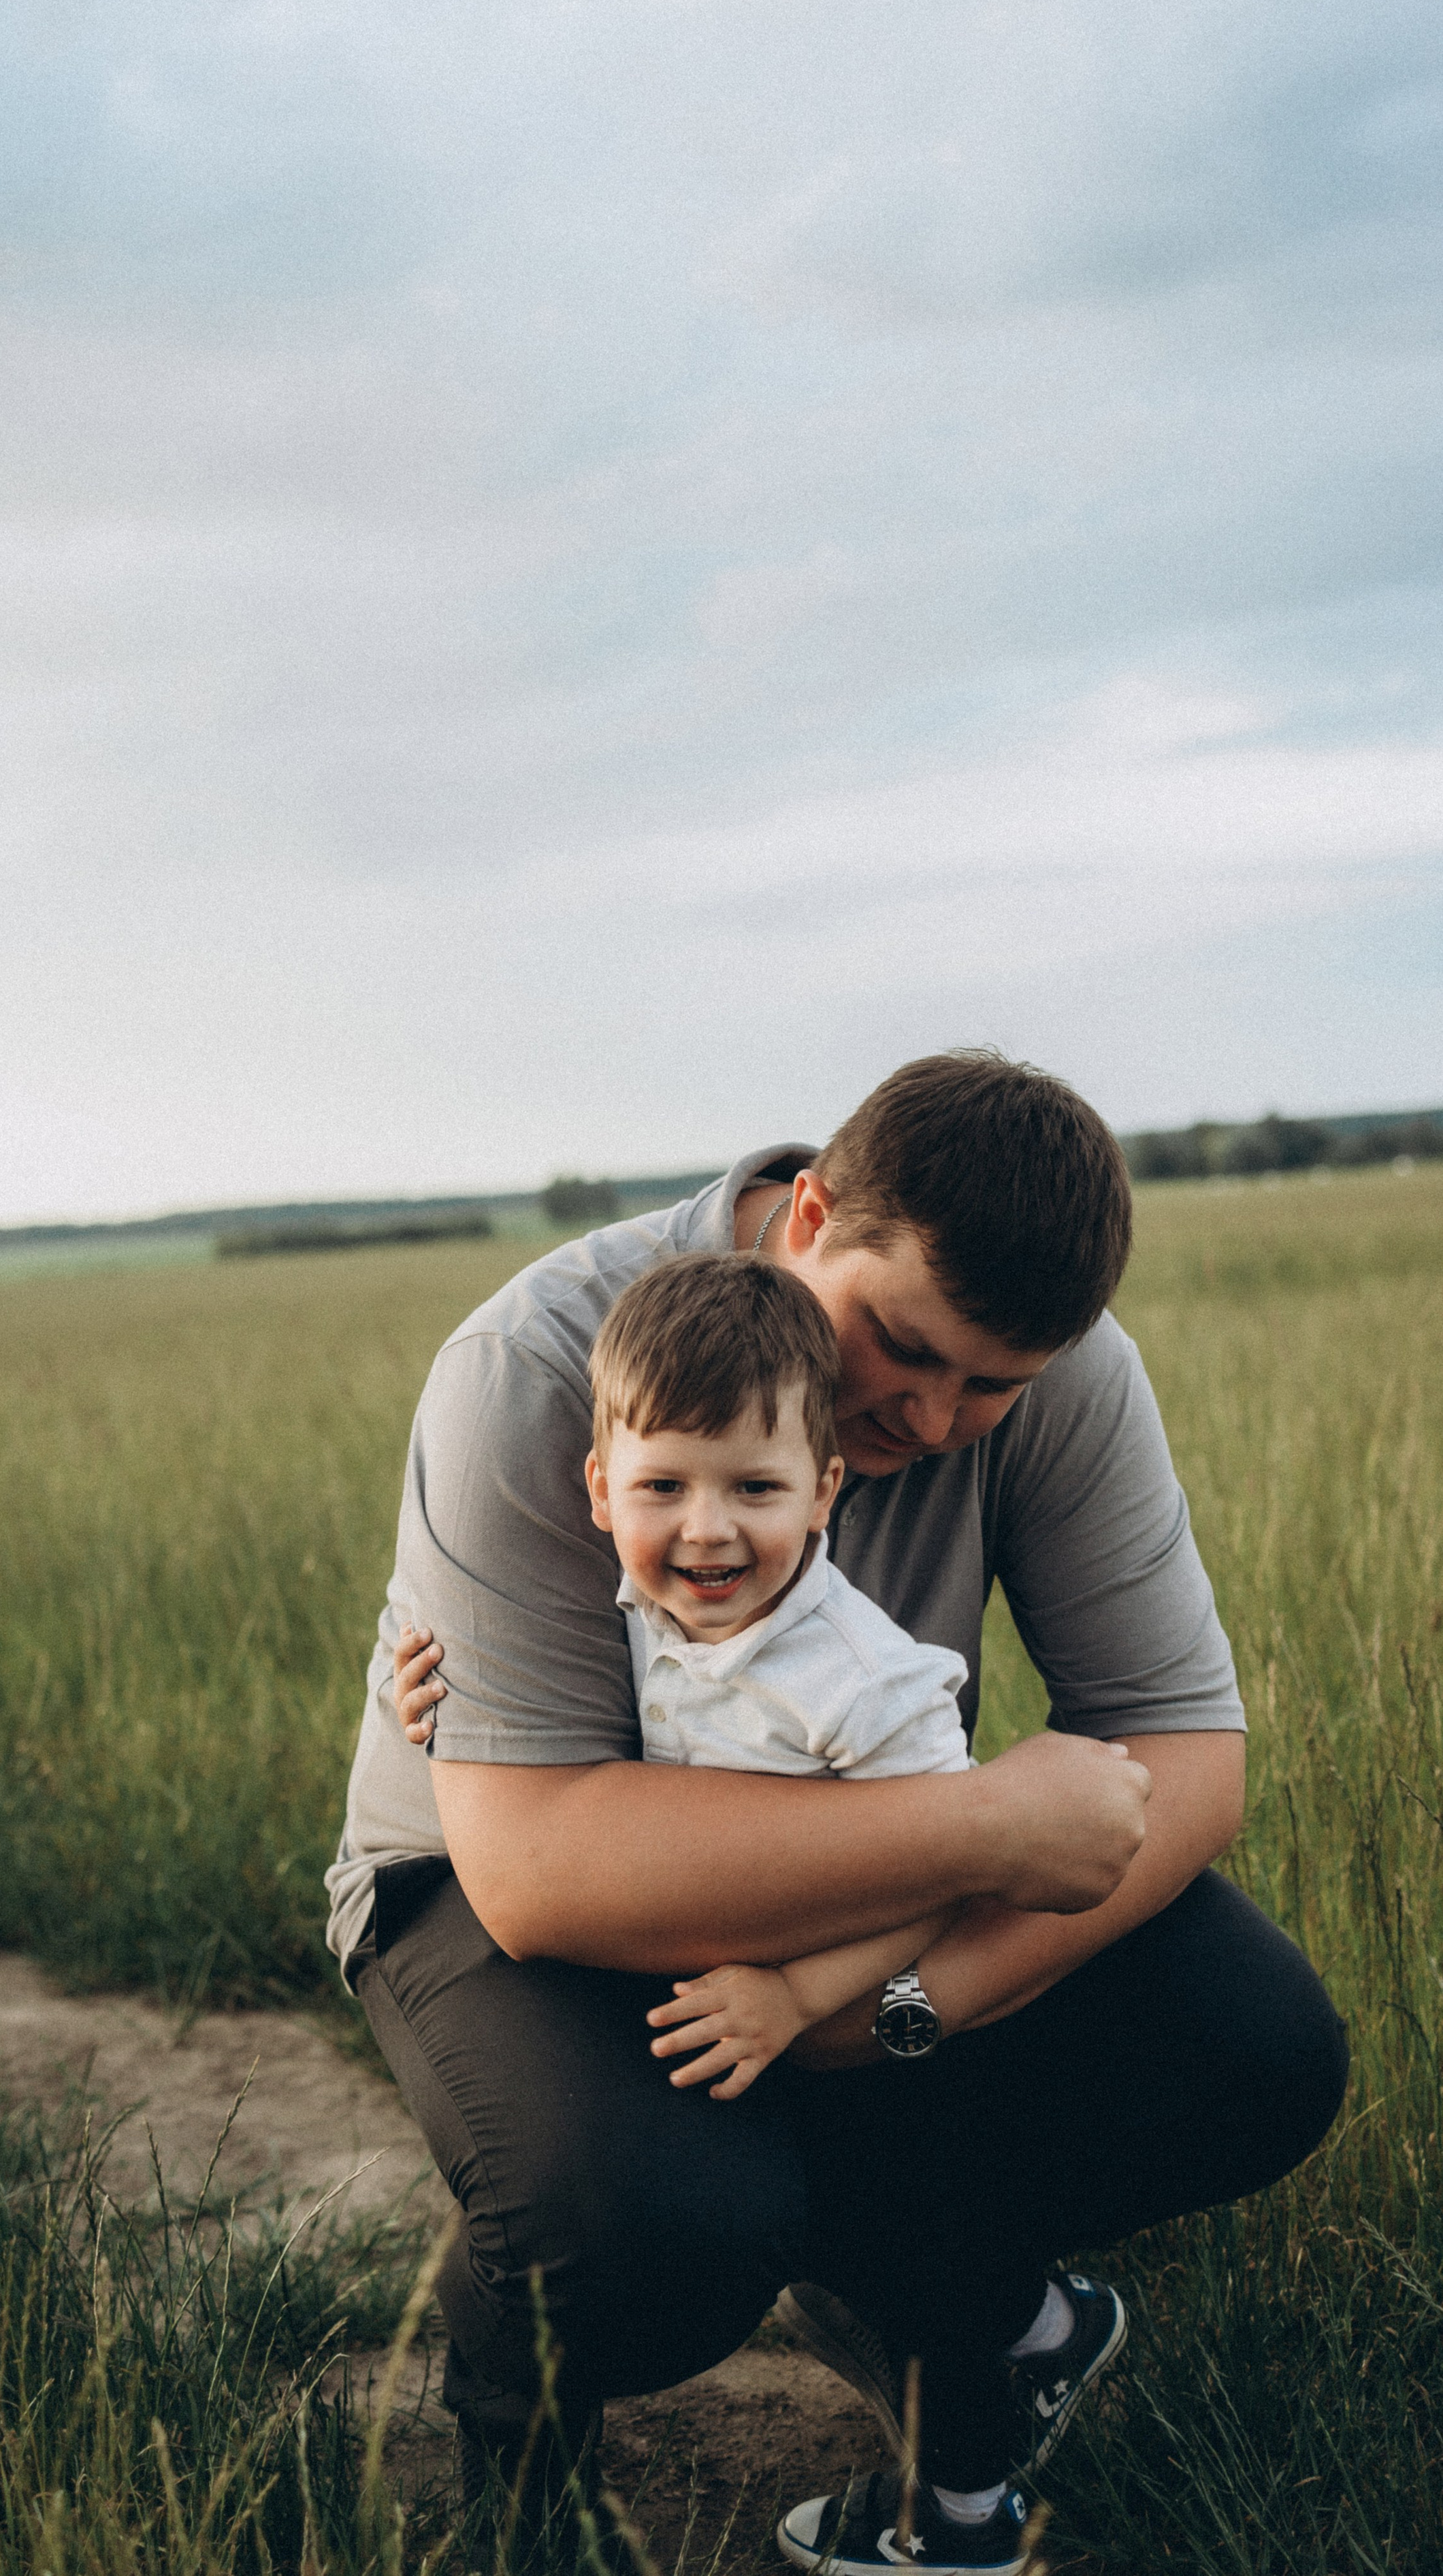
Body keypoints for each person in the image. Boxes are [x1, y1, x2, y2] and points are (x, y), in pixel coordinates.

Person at [326, 1052, 1348, 2576]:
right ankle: (518, 2439)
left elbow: (1185, 1753)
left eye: (988, 1387)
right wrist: (977, 1836)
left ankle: (943, 2298)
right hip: (491, 1889)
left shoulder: (1053, 1376)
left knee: (1254, 2050)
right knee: (662, 2220)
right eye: (896, 1346)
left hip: (854, 1883)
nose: (934, 1419)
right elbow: (540, 1872)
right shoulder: (535, 1364)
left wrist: (892, 2009)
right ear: (807, 1214)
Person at [401, 1249, 977, 2104]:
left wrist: (797, 1998)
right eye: (663, 1485)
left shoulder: (868, 1683)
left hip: (820, 2002)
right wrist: (442, 1700)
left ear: (821, 1493)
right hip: (664, 1965)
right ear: (602, 1490)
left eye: (754, 1488)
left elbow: (942, 1880)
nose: (706, 1530)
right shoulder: (631, 1603)